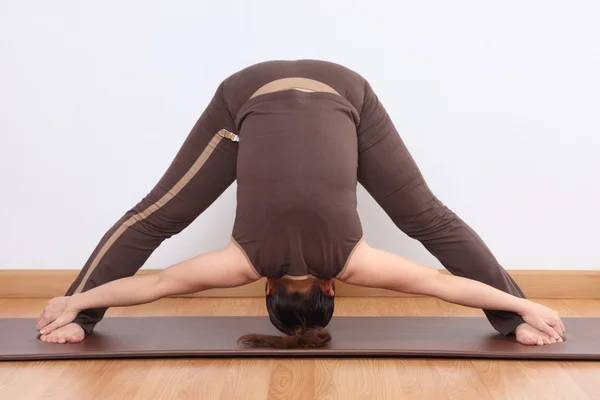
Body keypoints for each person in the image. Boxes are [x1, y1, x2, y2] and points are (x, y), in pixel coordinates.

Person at [36, 60, 565, 347]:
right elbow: (154, 286)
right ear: (263, 290)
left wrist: (528, 306)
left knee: (427, 217)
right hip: (255, 92)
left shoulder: (352, 260)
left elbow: (442, 286)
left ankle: (518, 323)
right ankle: (74, 319)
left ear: (334, 288)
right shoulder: (243, 262)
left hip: (343, 90)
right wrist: (75, 305)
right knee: (425, 217)